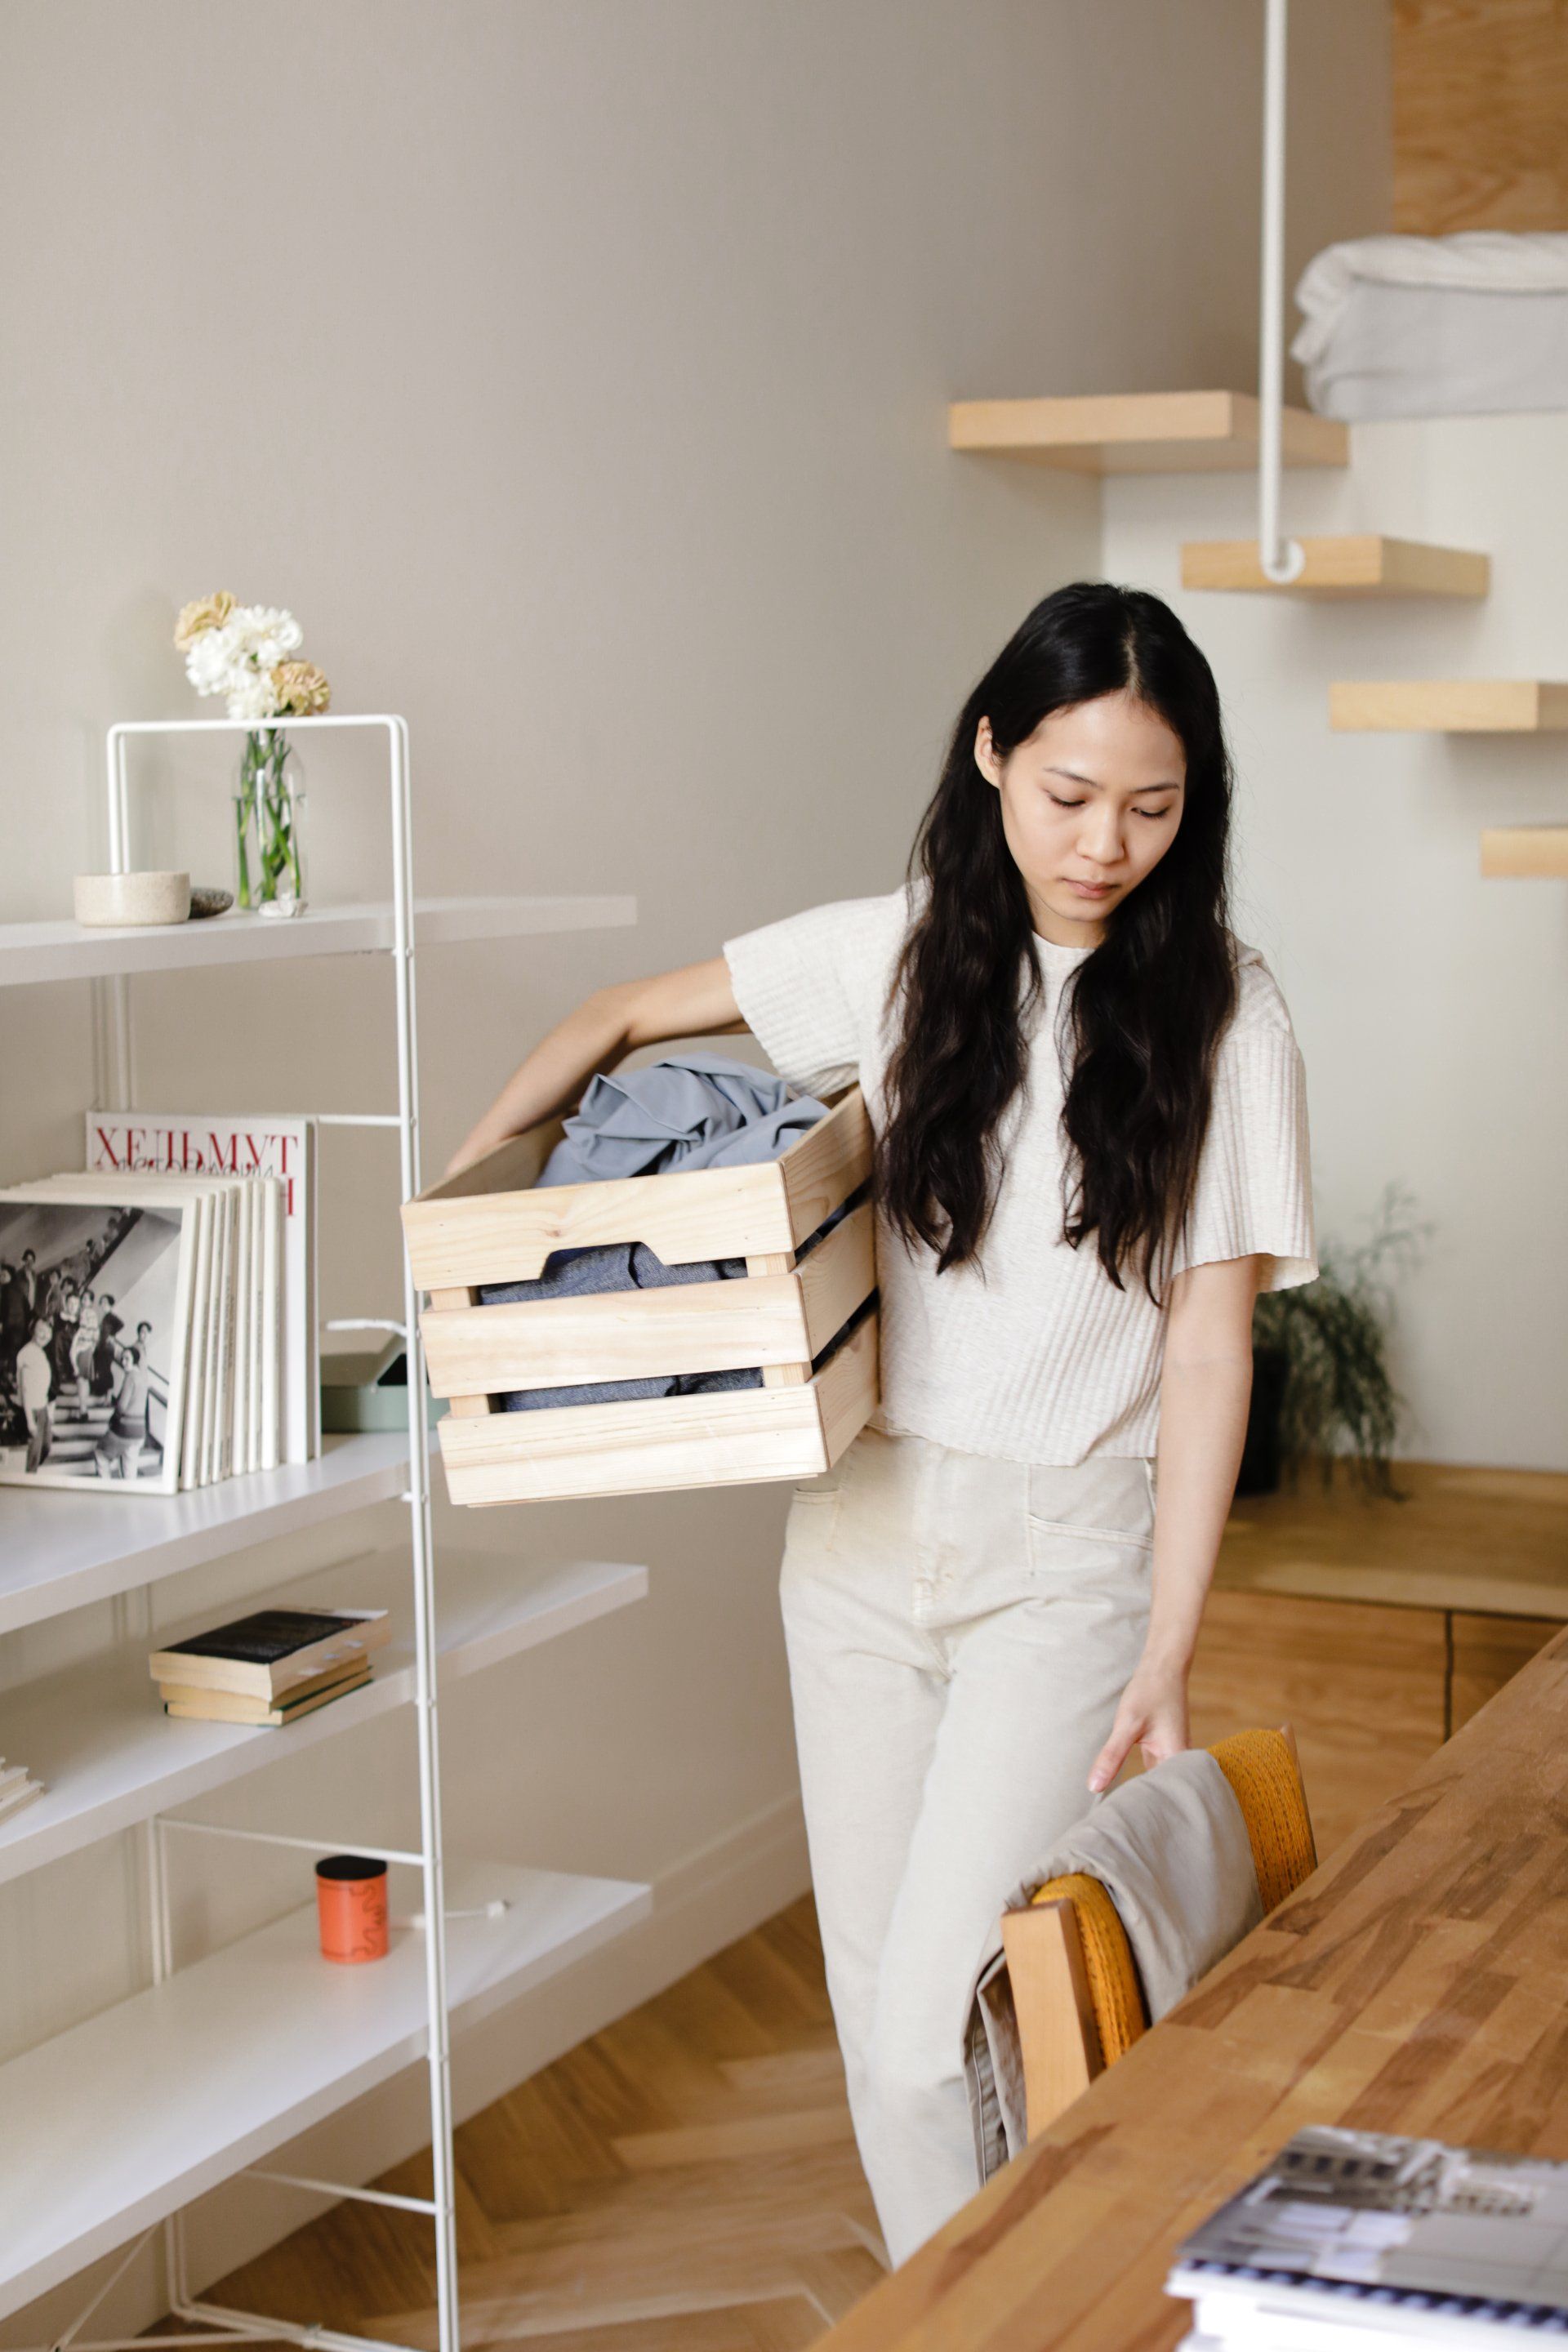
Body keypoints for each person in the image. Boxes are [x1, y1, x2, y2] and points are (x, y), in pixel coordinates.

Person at [445, 580, 1316, 2266]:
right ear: (992, 753)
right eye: (1070, 796)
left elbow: (1214, 1354)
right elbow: (619, 1018)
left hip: (1063, 1558)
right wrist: (468, 1229)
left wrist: (1169, 1641)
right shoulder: (904, 951)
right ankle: (1002, 2296)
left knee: (934, 2031)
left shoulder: (1230, 1008)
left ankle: (997, 2310)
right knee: (879, 2023)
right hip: (851, 1540)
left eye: (1154, 806)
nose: (1105, 844)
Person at [93, 1339, 166, 1481]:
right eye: (122, 1358)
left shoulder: (130, 1377)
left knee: (100, 1454)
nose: (123, 1362)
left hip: (124, 1430)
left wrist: (113, 1418)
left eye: (127, 1359)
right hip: (139, 1432)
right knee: (129, 1468)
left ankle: (105, 1487)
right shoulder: (144, 1378)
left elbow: (121, 1406)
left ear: (134, 1360)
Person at [17, 1317, 54, 1475]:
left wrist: (48, 1411)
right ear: (32, 1330)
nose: (45, 1335)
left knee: (46, 1447)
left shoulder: (40, 1352)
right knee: (34, 1456)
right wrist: (30, 1421)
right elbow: (25, 1389)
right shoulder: (28, 1353)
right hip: (32, 1410)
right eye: (41, 1330)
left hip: (42, 1408)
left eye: (48, 1332)